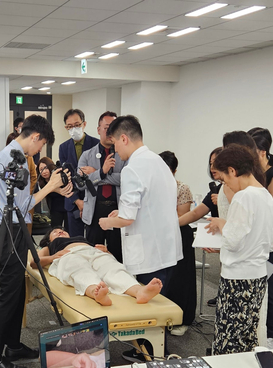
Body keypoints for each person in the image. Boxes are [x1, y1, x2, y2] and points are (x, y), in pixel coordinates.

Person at [0, 114, 72, 368]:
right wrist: (51, 187)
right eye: (41, 144)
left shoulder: (13, 155)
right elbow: (22, 206)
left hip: (14, 230)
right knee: (8, 295)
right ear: (35, 137)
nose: (39, 150)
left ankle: (12, 346)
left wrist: (53, 188)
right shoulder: (15, 158)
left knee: (17, 292)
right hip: (9, 231)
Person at [204, 146, 273, 355]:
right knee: (247, 337)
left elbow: (233, 242)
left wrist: (222, 224)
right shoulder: (266, 195)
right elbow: (272, 242)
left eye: (225, 179)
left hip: (236, 279)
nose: (226, 185)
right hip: (258, 277)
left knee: (227, 340)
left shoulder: (243, 197)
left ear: (232, 170)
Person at [98, 115, 182, 292]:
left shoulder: (132, 168)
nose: (115, 150)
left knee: (148, 302)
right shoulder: (158, 161)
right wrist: (121, 212)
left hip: (149, 253)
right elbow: (151, 203)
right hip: (167, 249)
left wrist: (107, 222)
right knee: (161, 300)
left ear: (124, 139)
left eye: (115, 143)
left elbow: (127, 219)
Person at [32, 227, 163, 306]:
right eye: (55, 232)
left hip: (93, 252)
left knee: (112, 267)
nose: (60, 232)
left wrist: (107, 251)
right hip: (69, 255)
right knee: (79, 270)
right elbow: (34, 262)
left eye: (62, 230)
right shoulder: (50, 246)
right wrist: (52, 257)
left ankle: (139, 291)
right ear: (49, 240)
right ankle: (96, 292)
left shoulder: (81, 239)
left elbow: (111, 259)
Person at [178, 148, 235, 308]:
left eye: (216, 163)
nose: (212, 167)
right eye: (210, 163)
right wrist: (172, 224)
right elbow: (196, 212)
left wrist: (225, 200)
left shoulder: (237, 190)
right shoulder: (217, 190)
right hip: (224, 243)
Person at [250, 127, 273, 349]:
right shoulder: (253, 174)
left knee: (270, 281)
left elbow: (269, 208)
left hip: (269, 231)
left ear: (262, 151)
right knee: (257, 281)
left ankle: (272, 334)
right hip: (255, 230)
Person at [78, 111, 124, 262]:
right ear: (98, 130)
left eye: (114, 128)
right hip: (94, 210)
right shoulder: (87, 155)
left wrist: (97, 175)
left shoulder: (124, 155)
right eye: (107, 128)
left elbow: (125, 179)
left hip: (117, 210)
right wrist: (101, 172)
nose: (111, 132)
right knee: (92, 254)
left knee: (117, 254)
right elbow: (80, 183)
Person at [159, 151, 196, 335]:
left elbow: (182, 215)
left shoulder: (182, 188)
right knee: (163, 277)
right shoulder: (153, 187)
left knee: (180, 278)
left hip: (179, 234)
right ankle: (162, 317)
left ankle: (182, 320)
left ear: (174, 171)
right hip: (159, 234)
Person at [59, 109, 99, 237]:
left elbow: (102, 173)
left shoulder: (96, 144)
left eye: (77, 125)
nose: (73, 129)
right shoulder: (63, 148)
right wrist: (77, 201)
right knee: (75, 240)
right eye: (69, 126)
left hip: (94, 199)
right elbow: (65, 178)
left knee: (94, 239)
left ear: (84, 124)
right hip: (73, 201)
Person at [37, 157, 66, 228]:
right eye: (41, 169)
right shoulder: (41, 182)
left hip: (66, 206)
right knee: (55, 228)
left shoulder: (58, 177)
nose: (44, 172)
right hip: (54, 209)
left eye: (46, 168)